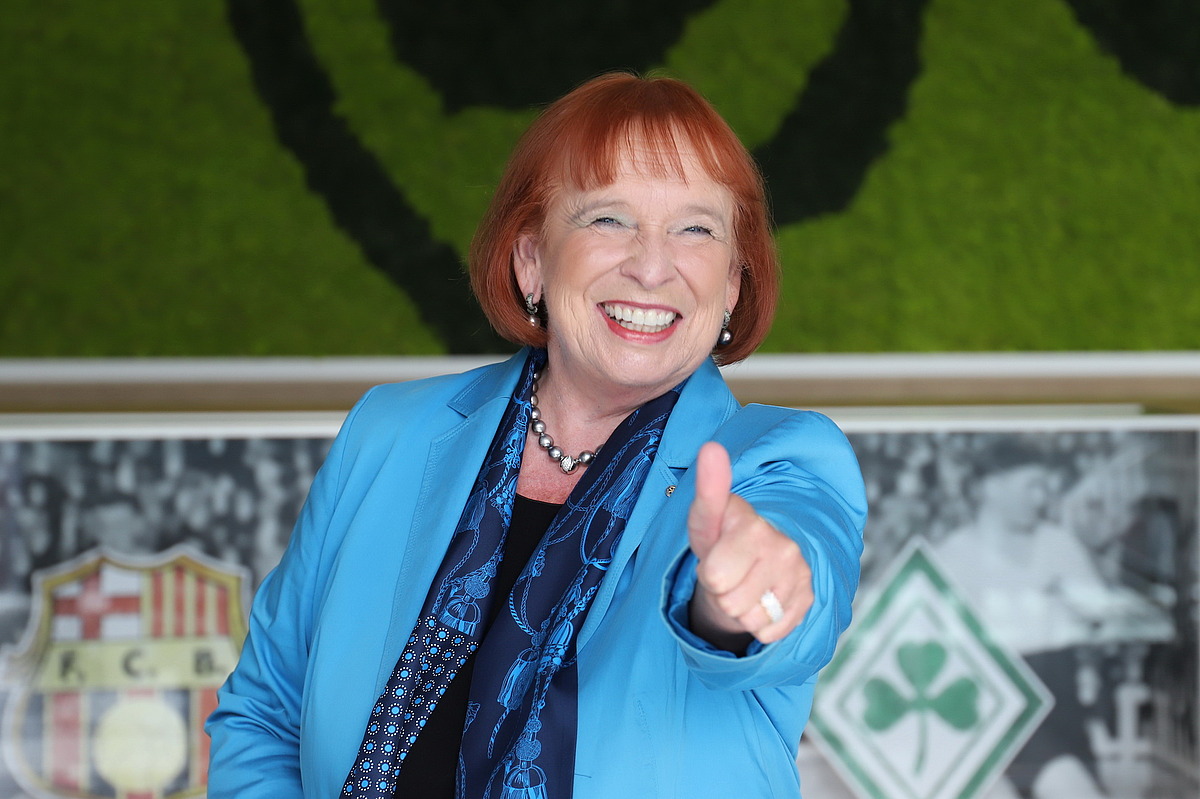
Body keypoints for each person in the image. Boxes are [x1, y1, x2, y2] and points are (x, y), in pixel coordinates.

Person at [205, 72, 866, 799]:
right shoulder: (389, 432)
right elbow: (266, 713)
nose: (652, 266)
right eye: (608, 219)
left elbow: (799, 587)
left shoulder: (778, 459)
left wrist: (745, 598)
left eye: (695, 229)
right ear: (531, 261)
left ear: (733, 284)